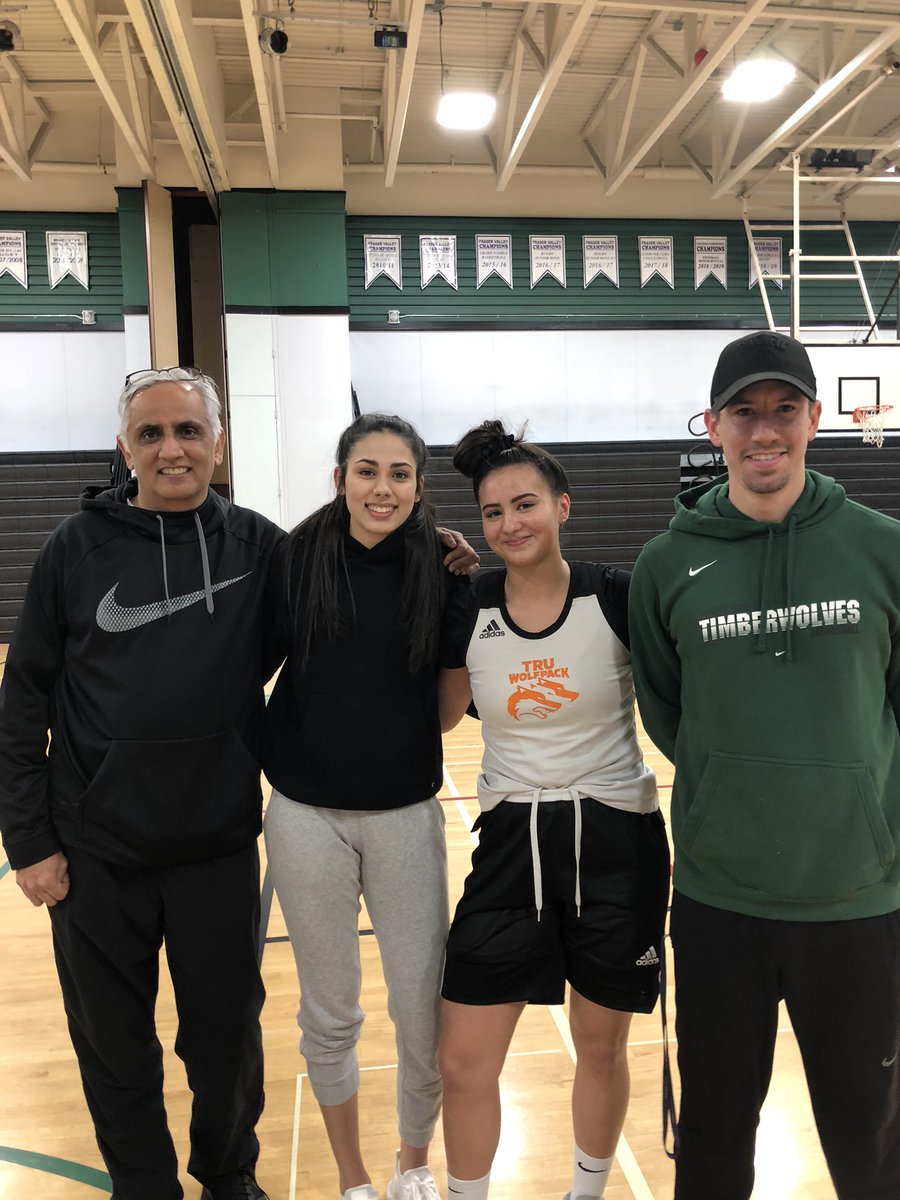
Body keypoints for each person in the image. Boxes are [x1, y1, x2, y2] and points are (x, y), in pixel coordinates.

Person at [0, 367, 284, 1200]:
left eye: (189, 431)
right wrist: (29, 841)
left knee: (227, 1042)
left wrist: (438, 559)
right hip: (95, 855)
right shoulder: (73, 550)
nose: (171, 449)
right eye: (152, 433)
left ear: (218, 443)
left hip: (217, 848)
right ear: (125, 448)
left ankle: (229, 1176)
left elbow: (346, 610)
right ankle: (144, 1186)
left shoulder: (260, 548)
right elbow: (22, 703)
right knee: (115, 1047)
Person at [628, 330, 900, 1200]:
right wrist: (736, 786)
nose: (766, 431)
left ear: (818, 419)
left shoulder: (883, 550)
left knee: (874, 1145)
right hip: (720, 904)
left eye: (785, 410)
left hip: (859, 899)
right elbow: (672, 714)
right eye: (745, 413)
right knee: (712, 1142)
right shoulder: (668, 565)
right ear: (713, 427)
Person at [437, 421, 670, 1200]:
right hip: (510, 847)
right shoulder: (467, 604)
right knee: (463, 1059)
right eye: (494, 511)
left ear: (563, 506)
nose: (510, 524)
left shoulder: (617, 593)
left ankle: (586, 1192)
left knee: (600, 1050)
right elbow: (439, 714)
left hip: (616, 845)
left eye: (526, 504)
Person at [261, 413, 478, 1200]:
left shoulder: (446, 571)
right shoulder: (295, 559)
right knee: (331, 1012)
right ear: (340, 477)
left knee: (423, 1012)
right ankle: (353, 1176)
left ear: (420, 487)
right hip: (304, 814)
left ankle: (411, 1162)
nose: (381, 488)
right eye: (366, 471)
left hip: (403, 816)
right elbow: (255, 666)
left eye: (398, 474)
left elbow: (451, 712)